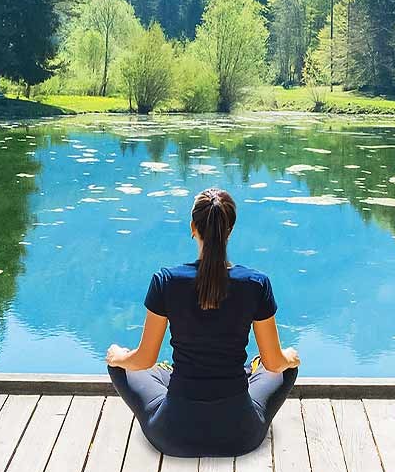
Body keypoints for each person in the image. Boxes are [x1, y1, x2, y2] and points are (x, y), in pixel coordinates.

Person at [105, 186, 298, 458]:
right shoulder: (256, 284)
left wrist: (118, 356)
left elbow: (144, 359)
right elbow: (275, 363)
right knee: (287, 369)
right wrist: (290, 357)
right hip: (240, 435)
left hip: (173, 435)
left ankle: (175, 373)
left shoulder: (166, 281)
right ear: (230, 230)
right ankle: (246, 371)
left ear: (193, 228)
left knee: (120, 367)